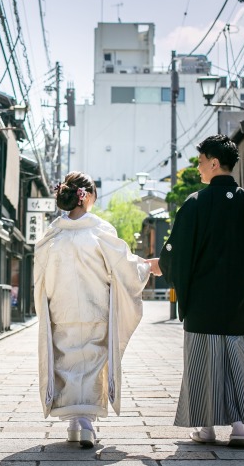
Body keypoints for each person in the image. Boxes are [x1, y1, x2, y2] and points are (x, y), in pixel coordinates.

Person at [148, 134, 244, 448]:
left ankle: (206, 429)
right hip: (240, 308)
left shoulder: (196, 203)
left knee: (202, 367)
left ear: (214, 163)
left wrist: (162, 265)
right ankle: (239, 429)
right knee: (238, 367)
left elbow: (177, 252)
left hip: (202, 307)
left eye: (200, 161)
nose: (198, 168)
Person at [34, 171, 155, 448]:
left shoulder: (53, 235)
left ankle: (73, 424)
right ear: (86, 196)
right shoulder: (99, 231)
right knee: (91, 364)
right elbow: (123, 266)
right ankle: (86, 424)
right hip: (94, 309)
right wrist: (146, 267)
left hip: (61, 310)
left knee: (66, 364)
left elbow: (40, 276)